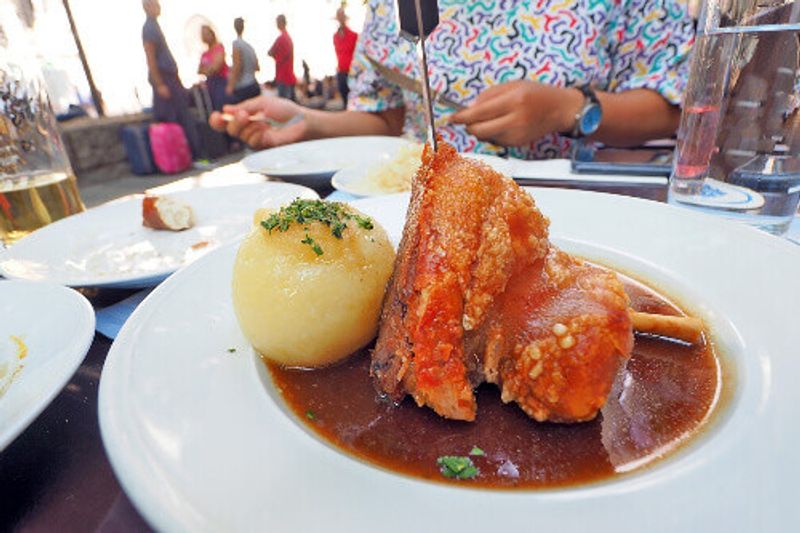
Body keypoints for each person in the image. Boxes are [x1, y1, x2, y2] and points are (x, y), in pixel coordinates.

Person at [212, 0, 694, 160]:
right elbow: (388, 119)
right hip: (417, 207)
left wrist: (564, 109)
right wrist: (304, 120)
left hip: (579, 209)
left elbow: (674, 106)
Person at [141, 0, 200, 157]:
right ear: (147, 6)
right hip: (165, 79)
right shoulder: (149, 28)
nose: (158, 6)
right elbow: (151, 58)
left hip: (170, 78)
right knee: (178, 118)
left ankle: (192, 154)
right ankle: (193, 155)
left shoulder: (154, 26)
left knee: (182, 116)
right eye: (155, 3)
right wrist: (159, 83)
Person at [226, 17, 261, 104]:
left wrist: (230, 85)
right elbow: (257, 67)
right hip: (253, 84)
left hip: (243, 88)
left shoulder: (236, 44)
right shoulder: (249, 47)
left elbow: (237, 65)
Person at [198, 25, 229, 112]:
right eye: (203, 34)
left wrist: (207, 69)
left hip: (221, 83)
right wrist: (209, 69)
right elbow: (200, 70)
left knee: (222, 108)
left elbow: (216, 68)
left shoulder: (219, 48)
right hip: (210, 85)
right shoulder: (204, 53)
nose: (205, 36)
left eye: (206, 33)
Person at [333, 7, 358, 108]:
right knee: (345, 102)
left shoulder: (353, 35)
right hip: (341, 72)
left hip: (352, 72)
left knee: (353, 101)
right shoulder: (335, 37)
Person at [268, 14, 297, 101]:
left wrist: (275, 56)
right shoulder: (288, 38)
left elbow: (270, 52)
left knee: (285, 107)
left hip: (283, 77)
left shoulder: (281, 38)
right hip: (288, 76)